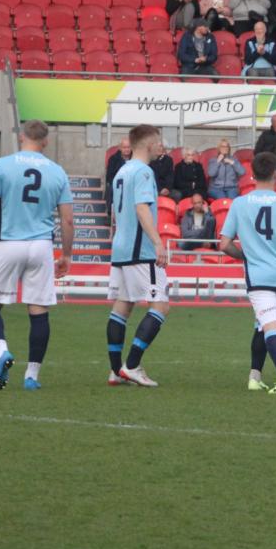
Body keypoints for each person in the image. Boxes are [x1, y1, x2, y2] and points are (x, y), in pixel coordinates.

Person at [0, 121, 73, 391]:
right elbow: (67, 220)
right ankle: (32, 376)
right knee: (39, 310)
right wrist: (66, 254)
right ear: (45, 142)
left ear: (21, 137)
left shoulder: (2, 165)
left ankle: (3, 351)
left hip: (8, 243)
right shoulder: (57, 172)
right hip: (41, 246)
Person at [218, 152, 276, 394]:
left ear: (252, 175)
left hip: (258, 277)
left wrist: (244, 255)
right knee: (263, 325)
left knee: (269, 327)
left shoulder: (239, 203)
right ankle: (254, 377)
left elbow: (224, 244)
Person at [105, 125, 172, 388]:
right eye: (158, 142)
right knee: (161, 305)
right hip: (139, 249)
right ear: (147, 145)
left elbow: (115, 211)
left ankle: (115, 371)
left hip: (121, 247)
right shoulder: (144, 171)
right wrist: (157, 243)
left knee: (123, 304)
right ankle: (131, 365)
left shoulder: (122, 171)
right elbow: (141, 208)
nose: (161, 147)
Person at [106, 138, 132, 210]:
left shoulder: (135, 158)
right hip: (118, 184)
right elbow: (109, 177)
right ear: (120, 148)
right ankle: (112, 211)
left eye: (128, 147)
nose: (127, 149)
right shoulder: (113, 159)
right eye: (124, 147)